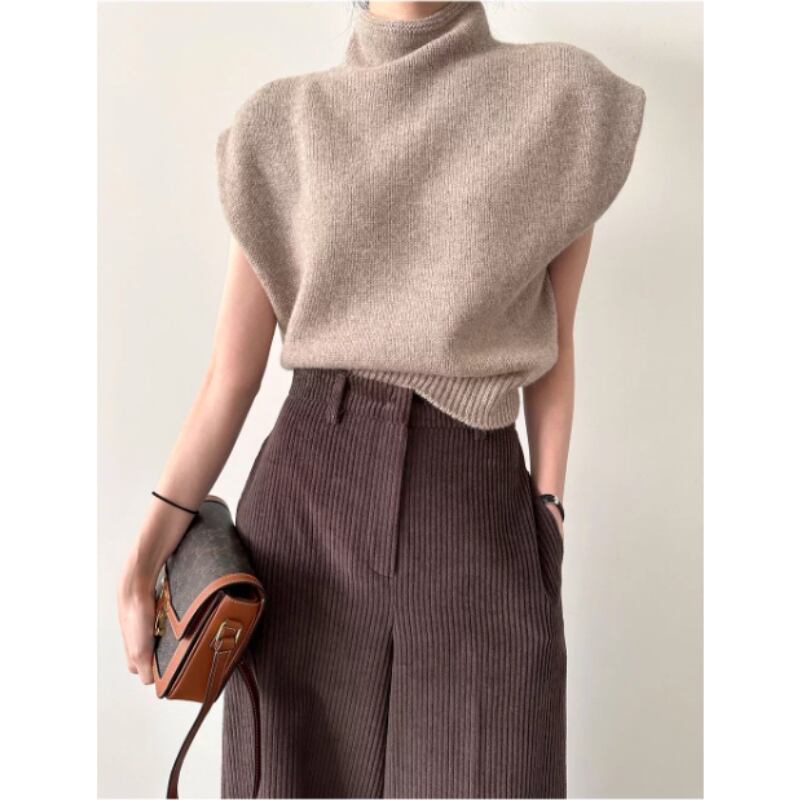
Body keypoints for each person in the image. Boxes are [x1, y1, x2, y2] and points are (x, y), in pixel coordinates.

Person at [117, 1, 646, 797]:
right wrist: (147, 549)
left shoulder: (562, 102)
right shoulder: (282, 124)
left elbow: (554, 343)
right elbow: (231, 374)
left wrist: (549, 509)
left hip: (477, 509)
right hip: (306, 516)